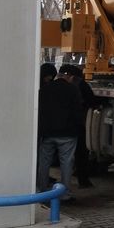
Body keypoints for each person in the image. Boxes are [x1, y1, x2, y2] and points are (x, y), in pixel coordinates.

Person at [37, 64, 84, 199]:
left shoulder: (45, 89)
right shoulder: (73, 89)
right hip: (67, 133)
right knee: (66, 162)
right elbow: (78, 111)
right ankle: (64, 193)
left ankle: (42, 190)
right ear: (69, 77)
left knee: (44, 162)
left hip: (47, 132)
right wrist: (79, 128)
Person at [68, 64, 96, 188]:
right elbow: (91, 100)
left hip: (60, 127)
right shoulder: (80, 85)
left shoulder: (51, 86)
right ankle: (82, 180)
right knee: (80, 152)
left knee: (66, 156)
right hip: (78, 124)